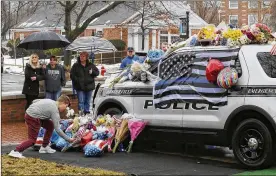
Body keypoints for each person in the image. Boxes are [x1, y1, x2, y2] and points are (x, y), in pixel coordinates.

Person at [8, 95, 75, 158]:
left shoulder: (51, 101)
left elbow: (35, 101)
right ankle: (16, 151)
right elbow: (58, 129)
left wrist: (37, 110)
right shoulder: (54, 110)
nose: (65, 109)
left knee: (50, 125)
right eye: (66, 106)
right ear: (62, 103)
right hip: (32, 117)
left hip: (32, 114)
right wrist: (69, 139)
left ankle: (44, 147)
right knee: (32, 140)